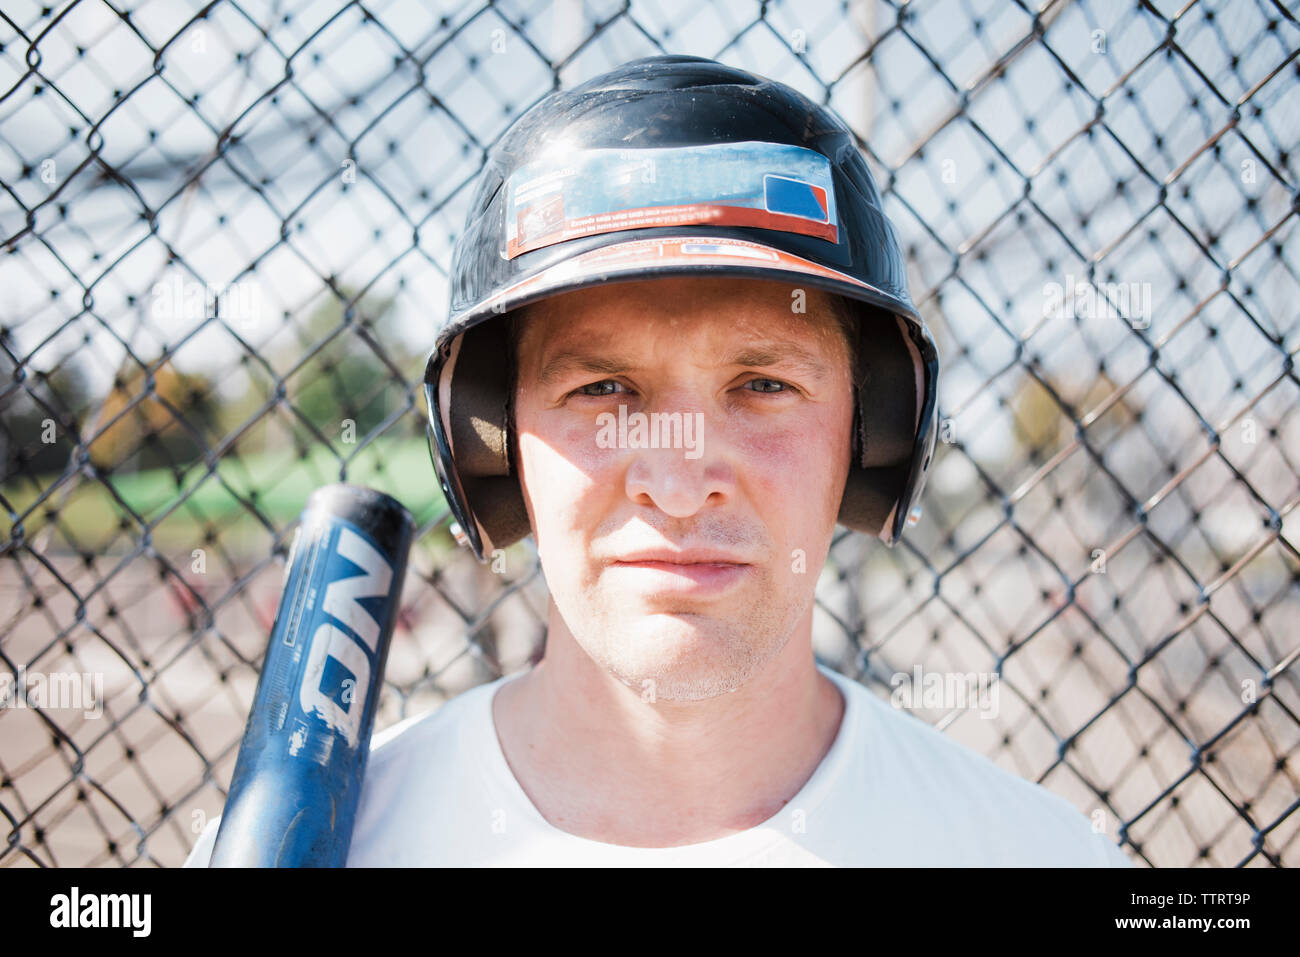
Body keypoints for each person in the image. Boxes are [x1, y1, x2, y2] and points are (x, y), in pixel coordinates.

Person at [186, 54, 1132, 867]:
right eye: (603, 391)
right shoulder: (321, 844)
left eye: (763, 386)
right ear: (495, 441)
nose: (678, 481)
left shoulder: (1034, 855)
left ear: (871, 434)